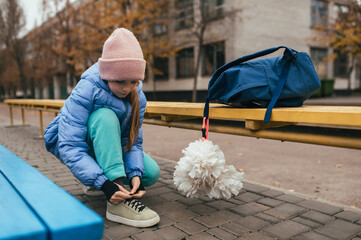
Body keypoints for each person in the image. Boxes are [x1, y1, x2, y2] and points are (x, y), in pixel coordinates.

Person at [44, 28, 160, 228]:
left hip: (108, 145)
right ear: (107, 74)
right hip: (76, 144)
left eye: (133, 82)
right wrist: (107, 184)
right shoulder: (87, 89)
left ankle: (97, 179)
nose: (126, 88)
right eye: (120, 81)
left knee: (150, 172)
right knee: (105, 117)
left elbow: (132, 142)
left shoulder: (138, 96)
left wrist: (135, 175)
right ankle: (116, 201)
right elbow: (70, 145)